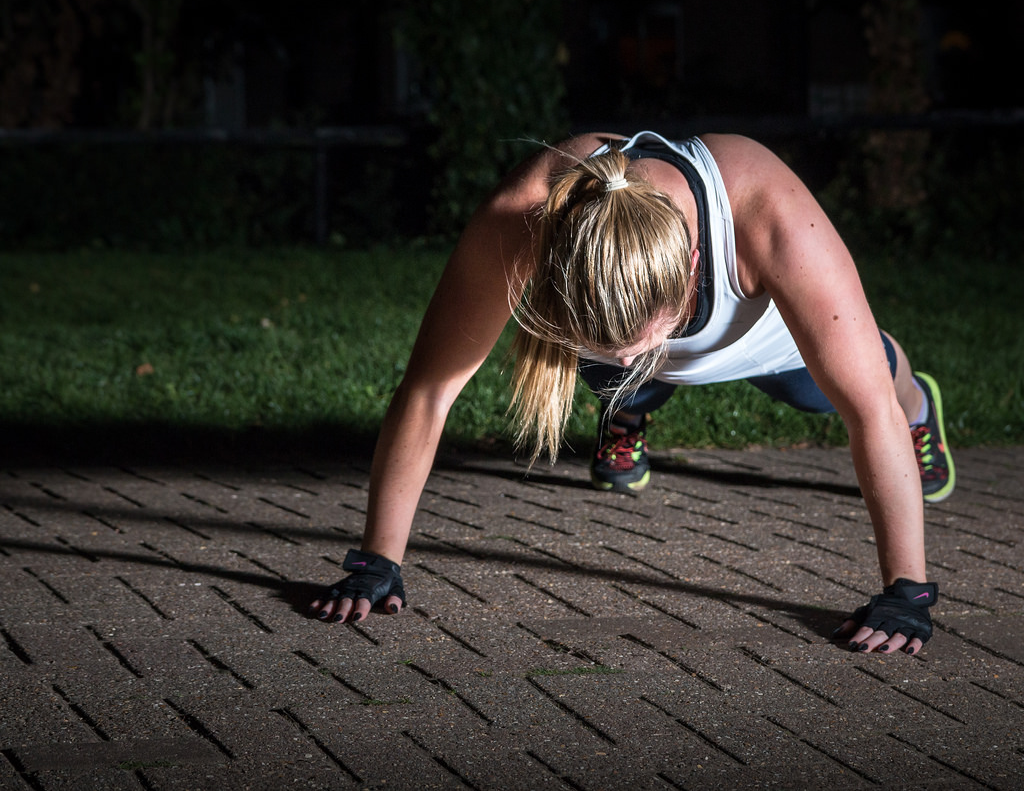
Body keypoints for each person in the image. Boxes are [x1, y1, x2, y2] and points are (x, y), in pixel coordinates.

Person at [307, 130, 954, 656]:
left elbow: (868, 411)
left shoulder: (767, 213)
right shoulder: (528, 212)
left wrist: (907, 590)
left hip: (764, 339)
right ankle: (628, 413)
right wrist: (376, 561)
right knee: (613, 376)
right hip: (631, 330)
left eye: (639, 342)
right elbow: (429, 389)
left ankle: (920, 407)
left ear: (692, 269)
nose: (625, 355)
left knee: (838, 389)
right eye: (601, 337)